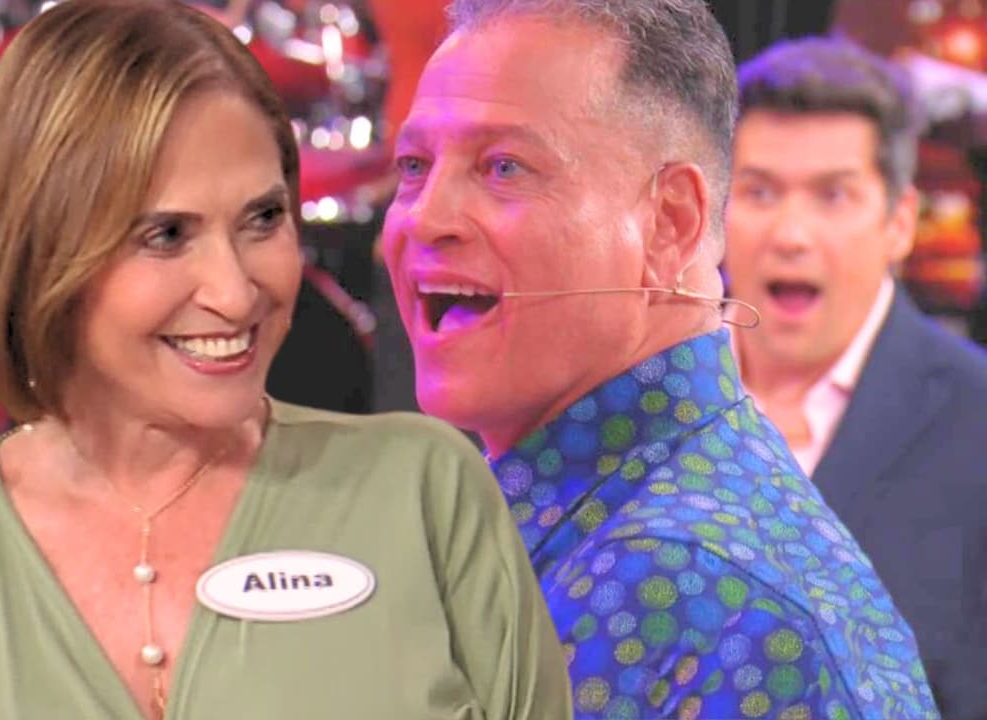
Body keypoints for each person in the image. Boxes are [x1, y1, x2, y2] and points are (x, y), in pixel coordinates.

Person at [0, 1, 573, 718]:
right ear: (42, 249)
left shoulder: (426, 492)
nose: (234, 291)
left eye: (263, 218)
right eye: (165, 234)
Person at [380, 0, 939, 717]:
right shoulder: (582, 520)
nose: (425, 218)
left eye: (503, 167)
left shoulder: (701, 594)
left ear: (670, 223)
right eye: (414, 166)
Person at [726, 36, 987, 719]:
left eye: (833, 196)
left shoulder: (977, 424)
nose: (790, 234)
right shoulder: (639, 396)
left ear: (899, 223)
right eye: (758, 191)